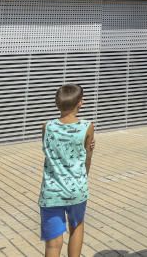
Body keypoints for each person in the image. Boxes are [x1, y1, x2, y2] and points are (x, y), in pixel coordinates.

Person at [38, 84, 95, 257]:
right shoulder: (87, 127)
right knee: (76, 227)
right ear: (80, 103)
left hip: (51, 192)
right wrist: (83, 176)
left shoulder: (46, 126)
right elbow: (88, 158)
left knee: (53, 245)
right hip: (76, 189)